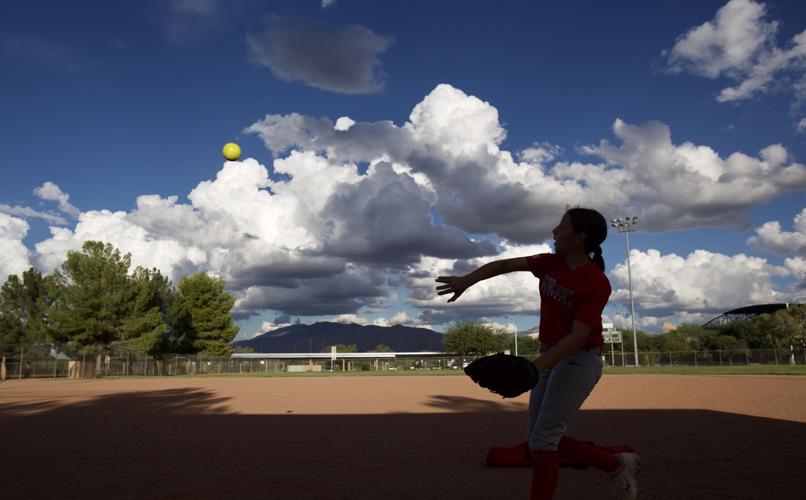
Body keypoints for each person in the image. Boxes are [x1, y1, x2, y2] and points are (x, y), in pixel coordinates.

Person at [435, 207, 642, 499]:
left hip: (580, 358)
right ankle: (615, 464)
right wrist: (467, 280)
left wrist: (535, 367)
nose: (555, 232)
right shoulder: (550, 263)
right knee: (539, 443)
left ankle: (614, 467)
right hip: (549, 358)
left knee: (544, 441)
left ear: (580, 237)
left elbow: (578, 336)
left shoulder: (595, 282)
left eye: (562, 227)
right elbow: (503, 266)